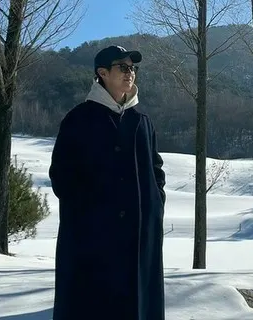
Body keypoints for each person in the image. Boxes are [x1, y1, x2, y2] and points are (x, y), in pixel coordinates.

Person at [48, 45, 166, 320]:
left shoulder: (142, 121)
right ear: (102, 73)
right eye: (122, 67)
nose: (130, 73)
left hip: (139, 242)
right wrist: (90, 213)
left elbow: (156, 170)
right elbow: (61, 177)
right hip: (92, 244)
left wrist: (155, 204)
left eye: (132, 68)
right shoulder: (78, 120)